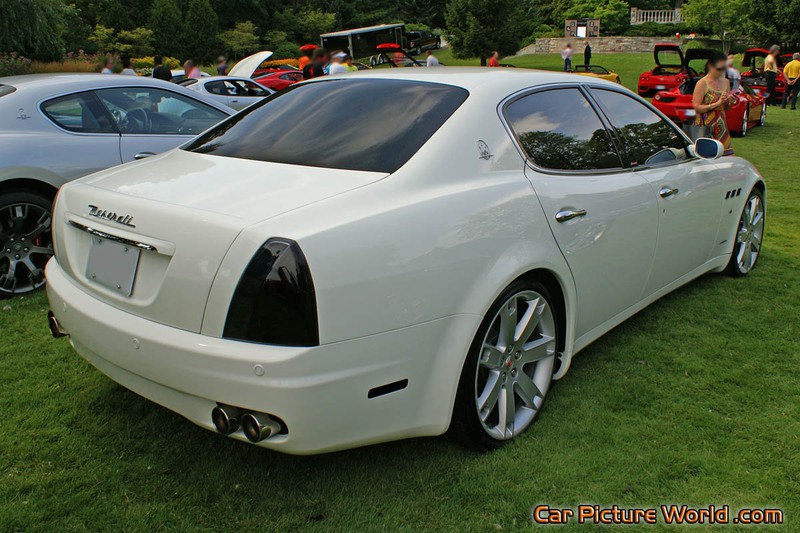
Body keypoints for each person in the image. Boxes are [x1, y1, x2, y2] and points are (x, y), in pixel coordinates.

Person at [692, 51, 736, 155]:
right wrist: (716, 104)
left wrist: (730, 102)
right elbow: (696, 107)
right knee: (706, 156)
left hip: (721, 126)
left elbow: (725, 108)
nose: (722, 71)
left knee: (726, 157)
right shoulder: (702, 83)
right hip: (705, 127)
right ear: (711, 66)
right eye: (719, 68)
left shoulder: (726, 82)